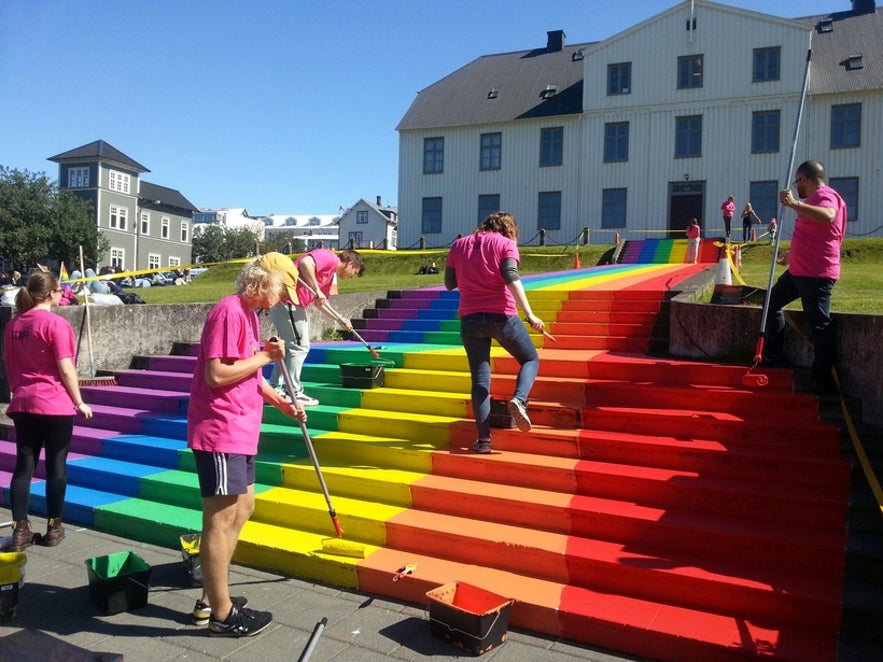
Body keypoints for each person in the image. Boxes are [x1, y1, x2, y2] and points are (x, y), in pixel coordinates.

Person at [186, 254, 307, 637]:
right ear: (263, 283)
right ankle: (220, 614)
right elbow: (217, 373)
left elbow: (250, 373)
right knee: (220, 519)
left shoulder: (249, 315)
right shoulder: (229, 310)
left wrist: (282, 403)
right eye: (283, 290)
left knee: (243, 509)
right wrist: (264, 356)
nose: (285, 299)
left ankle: (211, 597)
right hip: (220, 429)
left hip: (240, 428)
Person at [2, 270, 94, 551]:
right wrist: (79, 401)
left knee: (24, 466)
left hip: (23, 402)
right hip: (54, 403)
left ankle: (20, 529)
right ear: (53, 294)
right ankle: (54, 526)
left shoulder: (14, 325)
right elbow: (66, 367)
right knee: (56, 466)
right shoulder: (56, 324)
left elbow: (10, 364)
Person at [445, 212, 545, 454]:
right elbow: (511, 276)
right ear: (508, 229)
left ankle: (484, 441)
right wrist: (530, 314)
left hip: (469, 318)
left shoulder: (458, 245)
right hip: (501, 315)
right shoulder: (505, 244)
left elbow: (450, 283)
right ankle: (519, 400)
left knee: (480, 381)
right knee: (530, 359)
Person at [763, 160, 846, 395]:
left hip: (816, 273)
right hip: (799, 270)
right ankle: (774, 354)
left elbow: (829, 216)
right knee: (771, 302)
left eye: (797, 182)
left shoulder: (824, 195)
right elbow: (816, 233)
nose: (796, 186)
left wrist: (794, 203)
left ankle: (822, 379)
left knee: (820, 324)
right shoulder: (814, 199)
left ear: (805, 180)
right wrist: (791, 255)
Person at [268, 248, 364, 406]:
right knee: (299, 347)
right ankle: (294, 391)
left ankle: (275, 386)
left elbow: (321, 303)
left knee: (290, 347)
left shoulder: (329, 274)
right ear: (350, 263)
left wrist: (340, 319)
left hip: (293, 305)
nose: (351, 276)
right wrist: (317, 289)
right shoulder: (330, 258)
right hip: (289, 302)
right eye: (354, 272)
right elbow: (306, 262)